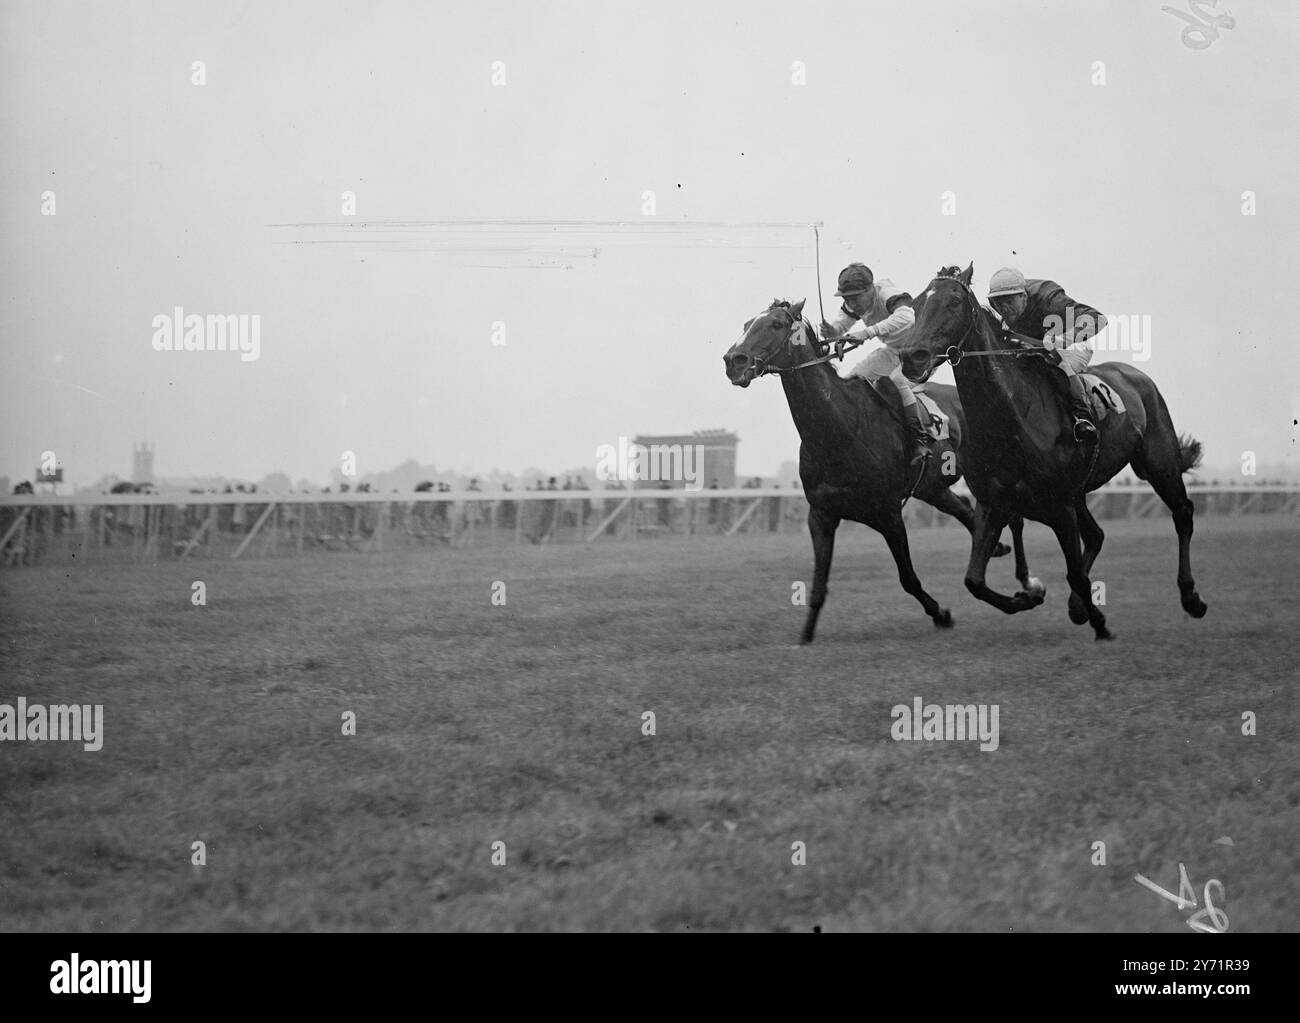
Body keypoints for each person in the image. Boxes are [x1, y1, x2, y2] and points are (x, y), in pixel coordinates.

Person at [819, 262, 932, 463]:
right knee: (853, 379)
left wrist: (867, 332)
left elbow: (908, 317)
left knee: (897, 379)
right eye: (847, 299)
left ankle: (919, 440)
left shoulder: (886, 293)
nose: (852, 304)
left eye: (855, 297)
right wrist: (833, 331)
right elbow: (842, 325)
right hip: (894, 351)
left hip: (920, 352)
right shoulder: (854, 304)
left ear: (870, 289)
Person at [986, 267, 1106, 443]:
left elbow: (1099, 318)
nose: (1003, 308)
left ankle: (1082, 418)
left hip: (1073, 344)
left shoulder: (1050, 299)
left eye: (1008, 301)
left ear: (1023, 296)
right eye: (997, 302)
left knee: (1058, 364)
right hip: (1035, 345)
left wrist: (1062, 339)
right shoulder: (998, 309)